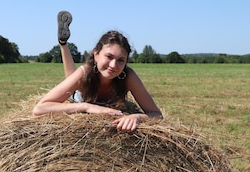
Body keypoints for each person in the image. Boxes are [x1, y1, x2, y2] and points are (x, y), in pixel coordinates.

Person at [33, 11, 163, 132]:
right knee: (73, 83)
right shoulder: (84, 72)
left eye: (121, 60)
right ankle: (63, 43)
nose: (113, 65)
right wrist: (86, 107)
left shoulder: (128, 75)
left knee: (74, 79)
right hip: (80, 95)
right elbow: (39, 109)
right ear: (96, 54)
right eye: (109, 57)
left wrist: (137, 117)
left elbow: (157, 115)